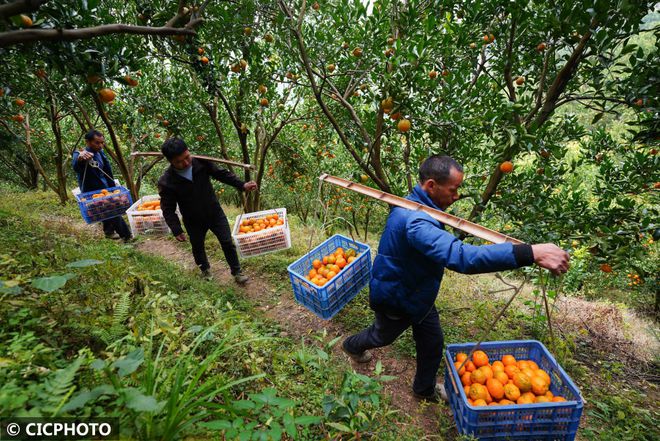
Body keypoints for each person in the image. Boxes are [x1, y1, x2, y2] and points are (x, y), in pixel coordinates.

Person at [341, 155, 570, 403]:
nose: (456, 195)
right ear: (431, 185)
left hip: (418, 293)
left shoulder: (417, 206)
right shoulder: (416, 222)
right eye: (454, 189)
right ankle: (352, 346)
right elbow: (461, 256)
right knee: (382, 336)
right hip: (399, 295)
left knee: (432, 341)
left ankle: (424, 389)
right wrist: (530, 252)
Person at [158, 138, 258, 283]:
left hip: (214, 212)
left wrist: (242, 185)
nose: (186, 163)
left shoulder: (201, 163)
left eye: (187, 157)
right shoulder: (167, 181)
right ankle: (204, 269)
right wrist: (176, 228)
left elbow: (222, 174)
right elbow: (167, 208)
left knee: (227, 242)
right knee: (197, 246)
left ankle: (237, 271)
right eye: (179, 162)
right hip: (193, 220)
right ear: (170, 162)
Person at [72, 129, 132, 241]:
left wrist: (113, 188)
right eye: (97, 143)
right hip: (92, 192)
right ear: (88, 142)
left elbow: (107, 170)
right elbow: (76, 163)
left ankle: (109, 231)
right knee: (112, 211)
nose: (101, 145)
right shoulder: (81, 154)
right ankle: (127, 236)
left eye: (102, 142)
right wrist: (80, 157)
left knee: (105, 211)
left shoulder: (100, 153)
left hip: (104, 189)